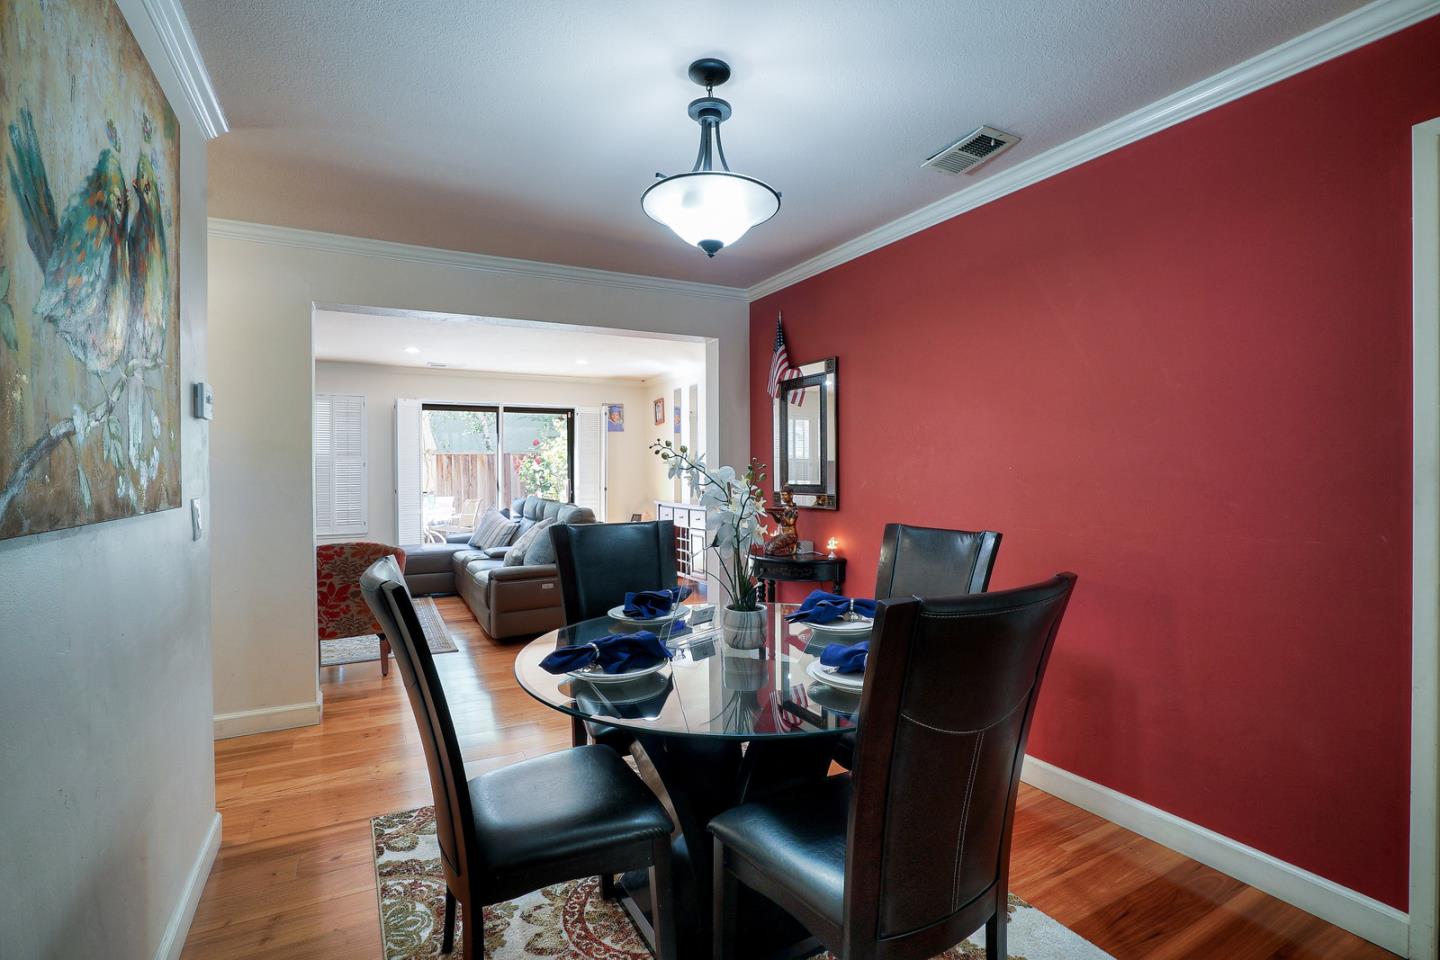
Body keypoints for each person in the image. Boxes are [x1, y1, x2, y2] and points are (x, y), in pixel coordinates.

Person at [765, 486, 800, 556]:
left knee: (770, 550)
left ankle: (791, 549)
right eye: (781, 495)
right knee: (766, 547)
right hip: (783, 534)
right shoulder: (784, 508)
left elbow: (790, 523)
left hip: (791, 535)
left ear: (791, 495)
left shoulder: (794, 509)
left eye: (784, 495)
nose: (782, 497)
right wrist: (773, 514)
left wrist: (782, 515)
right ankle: (789, 548)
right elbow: (778, 521)